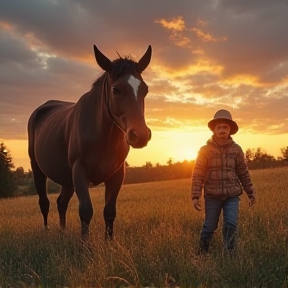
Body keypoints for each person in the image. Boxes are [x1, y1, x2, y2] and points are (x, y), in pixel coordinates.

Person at [191, 109, 256, 255]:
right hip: (212, 195)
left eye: (225, 127)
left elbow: (243, 172)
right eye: (219, 127)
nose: (222, 130)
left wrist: (250, 192)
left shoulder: (236, 149)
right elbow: (198, 174)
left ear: (230, 130)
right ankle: (202, 253)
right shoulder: (204, 150)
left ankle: (229, 254)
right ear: (213, 130)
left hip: (232, 195)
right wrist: (195, 196)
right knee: (209, 227)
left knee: (231, 224)